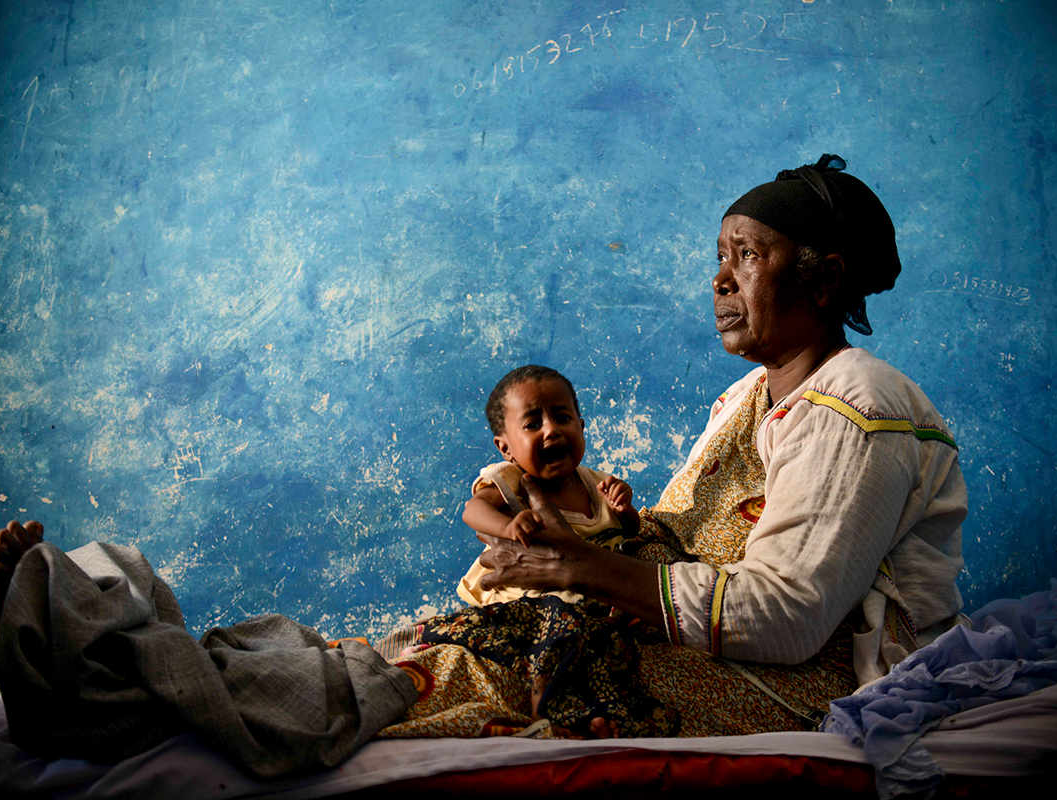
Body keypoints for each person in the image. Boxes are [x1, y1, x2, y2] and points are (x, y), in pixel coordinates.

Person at [376, 154, 967, 740]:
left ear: (825, 279)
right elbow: (681, 538)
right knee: (466, 644)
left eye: (749, 256)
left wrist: (583, 566)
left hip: (803, 675)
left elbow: (789, 616)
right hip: (691, 632)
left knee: (510, 673)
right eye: (721, 257)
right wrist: (588, 566)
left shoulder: (860, 406)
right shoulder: (748, 394)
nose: (721, 279)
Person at [458, 364, 639, 607]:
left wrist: (624, 510)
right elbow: (473, 510)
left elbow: (631, 531)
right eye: (533, 425)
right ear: (506, 448)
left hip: (586, 592)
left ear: (582, 429)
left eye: (563, 418)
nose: (552, 430)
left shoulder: (596, 483)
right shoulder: (512, 481)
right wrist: (508, 526)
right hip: (522, 601)